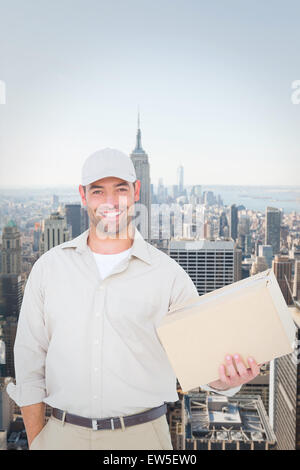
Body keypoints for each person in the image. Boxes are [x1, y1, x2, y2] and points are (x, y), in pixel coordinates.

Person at [6, 148, 261, 450]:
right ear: (83, 195)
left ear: (136, 191)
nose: (111, 202)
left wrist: (229, 380)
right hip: (62, 435)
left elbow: (199, 364)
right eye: (98, 191)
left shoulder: (169, 276)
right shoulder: (49, 268)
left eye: (121, 189)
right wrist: (38, 442)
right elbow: (29, 365)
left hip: (142, 438)